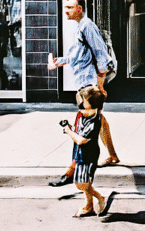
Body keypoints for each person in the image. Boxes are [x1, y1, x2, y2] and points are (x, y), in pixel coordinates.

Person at [47, 0, 120, 186]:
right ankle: (112, 155)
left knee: (83, 124)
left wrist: (100, 85)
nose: (66, 11)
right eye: (66, 7)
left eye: (70, 7)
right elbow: (76, 55)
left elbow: (102, 54)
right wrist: (58, 62)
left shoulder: (87, 26)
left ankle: (71, 170)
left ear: (80, 8)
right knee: (98, 119)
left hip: (89, 84)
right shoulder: (80, 27)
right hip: (83, 82)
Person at [61, 85, 108, 218]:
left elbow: (81, 140)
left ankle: (100, 197)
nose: (80, 102)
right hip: (80, 153)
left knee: (81, 183)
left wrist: (69, 132)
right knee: (85, 180)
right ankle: (88, 206)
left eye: (83, 100)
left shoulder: (94, 122)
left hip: (88, 156)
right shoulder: (84, 114)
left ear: (91, 104)